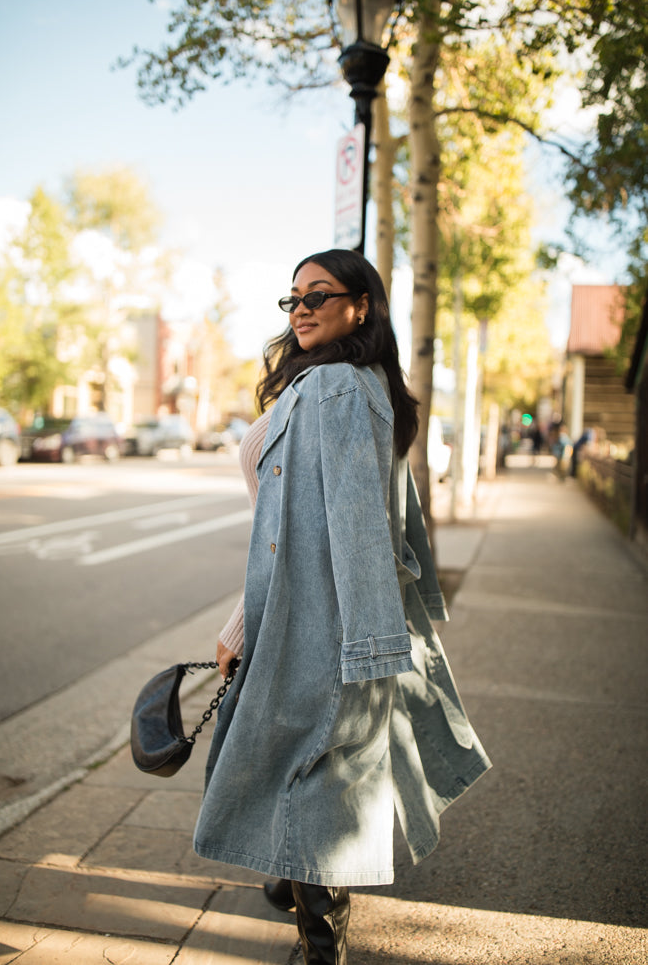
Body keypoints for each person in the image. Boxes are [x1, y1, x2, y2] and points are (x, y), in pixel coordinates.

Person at [194, 249, 491, 964]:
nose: (300, 308)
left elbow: (360, 526)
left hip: (324, 623)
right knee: (295, 759)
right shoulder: (335, 383)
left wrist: (365, 647)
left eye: (318, 294)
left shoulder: (338, 388)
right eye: (292, 298)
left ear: (360, 305)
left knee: (319, 770)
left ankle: (320, 931)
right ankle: (293, 877)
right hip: (299, 610)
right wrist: (245, 621)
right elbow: (286, 527)